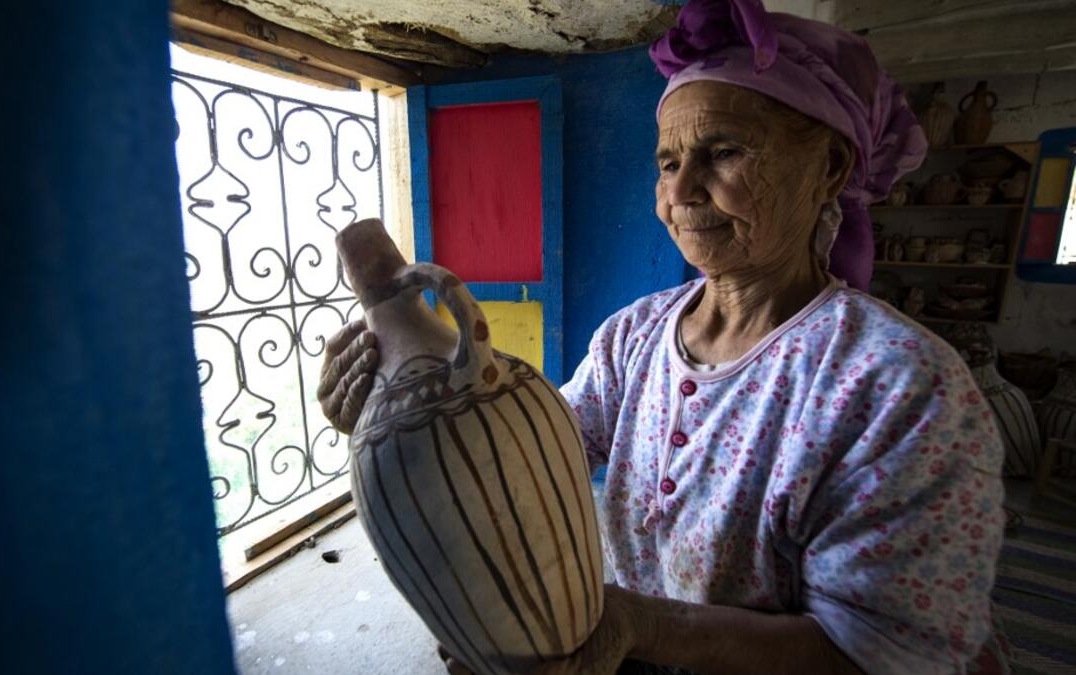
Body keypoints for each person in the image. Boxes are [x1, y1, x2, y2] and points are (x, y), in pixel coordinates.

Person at [318, 1, 1006, 673]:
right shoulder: (635, 335)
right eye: (668, 162)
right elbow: (542, 440)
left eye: (723, 152)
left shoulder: (902, 386)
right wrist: (404, 404)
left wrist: (641, 626)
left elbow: (881, 650)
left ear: (829, 167)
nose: (682, 191)